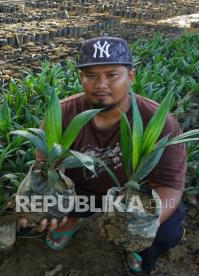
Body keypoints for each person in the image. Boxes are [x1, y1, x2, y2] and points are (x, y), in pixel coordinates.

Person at [18, 37, 186, 273]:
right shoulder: (63, 114)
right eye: (91, 75)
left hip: (131, 200)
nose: (100, 84)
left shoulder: (158, 122)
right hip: (82, 193)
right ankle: (74, 218)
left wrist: (141, 224)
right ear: (81, 78)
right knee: (34, 214)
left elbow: (170, 184)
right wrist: (44, 201)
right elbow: (47, 168)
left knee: (166, 232)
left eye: (111, 74)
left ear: (131, 76)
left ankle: (131, 244)